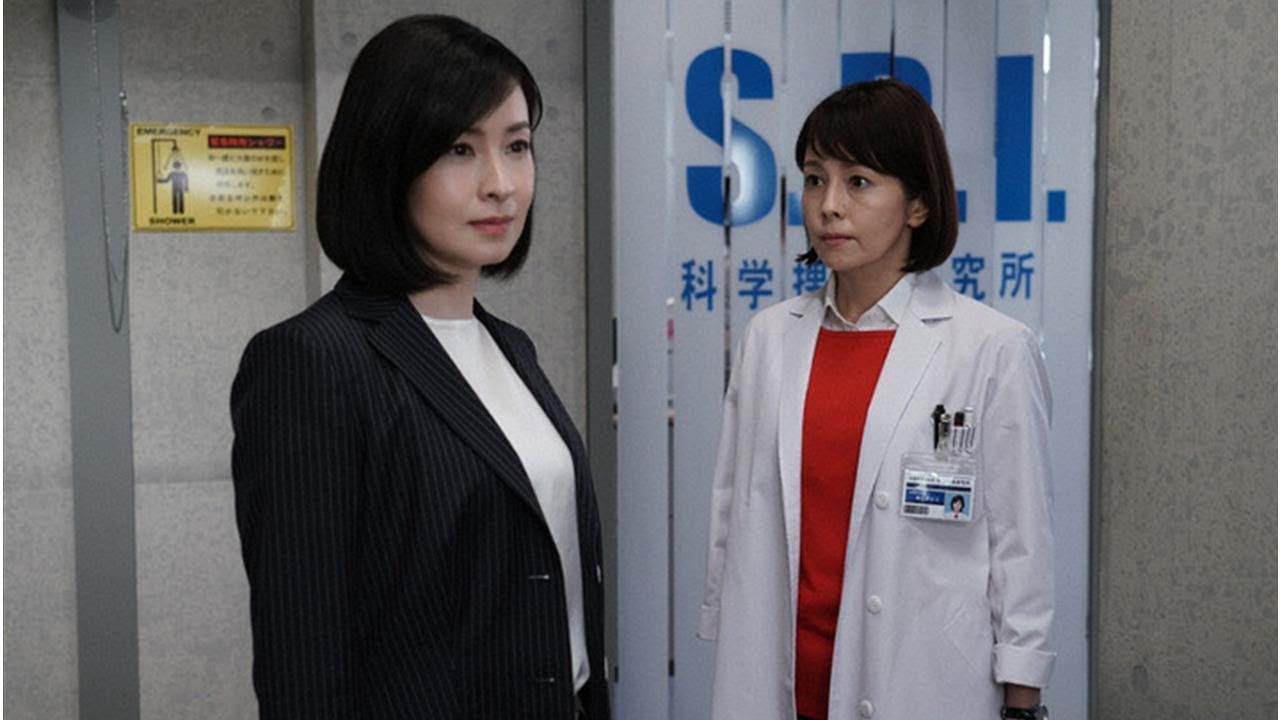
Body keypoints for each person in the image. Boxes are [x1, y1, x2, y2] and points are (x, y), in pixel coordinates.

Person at [231, 15, 609, 719]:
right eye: (460, 149)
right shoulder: (312, 361)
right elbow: (302, 656)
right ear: (387, 163)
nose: (501, 185)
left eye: (517, 146)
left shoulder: (510, 347)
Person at [698, 79, 1054, 720]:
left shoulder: (991, 349)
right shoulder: (769, 339)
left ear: (918, 204)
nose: (829, 206)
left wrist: (1023, 697)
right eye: (815, 180)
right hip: (781, 677)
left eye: (858, 182)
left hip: (922, 682)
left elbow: (1020, 543)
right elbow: (734, 507)